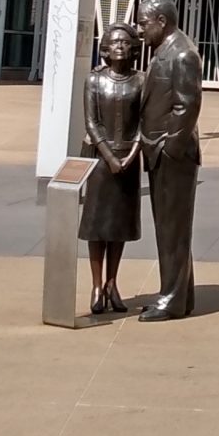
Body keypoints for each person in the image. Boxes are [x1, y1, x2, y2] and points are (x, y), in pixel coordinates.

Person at [135, 0, 203, 321]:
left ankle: (171, 300)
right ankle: (180, 294)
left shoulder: (182, 54)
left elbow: (187, 106)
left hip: (172, 154)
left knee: (172, 230)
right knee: (171, 229)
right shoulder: (164, 50)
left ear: (161, 22)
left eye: (143, 23)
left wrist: (167, 149)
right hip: (160, 149)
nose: (139, 30)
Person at [79, 22, 144, 316]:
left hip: (128, 158)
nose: (120, 46)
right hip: (101, 160)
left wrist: (131, 155)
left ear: (133, 47)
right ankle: (95, 284)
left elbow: (146, 123)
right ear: (105, 48)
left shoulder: (141, 81)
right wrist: (109, 155)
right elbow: (91, 123)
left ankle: (112, 283)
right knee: (97, 225)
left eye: (125, 42)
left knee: (118, 226)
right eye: (114, 42)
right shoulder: (94, 81)